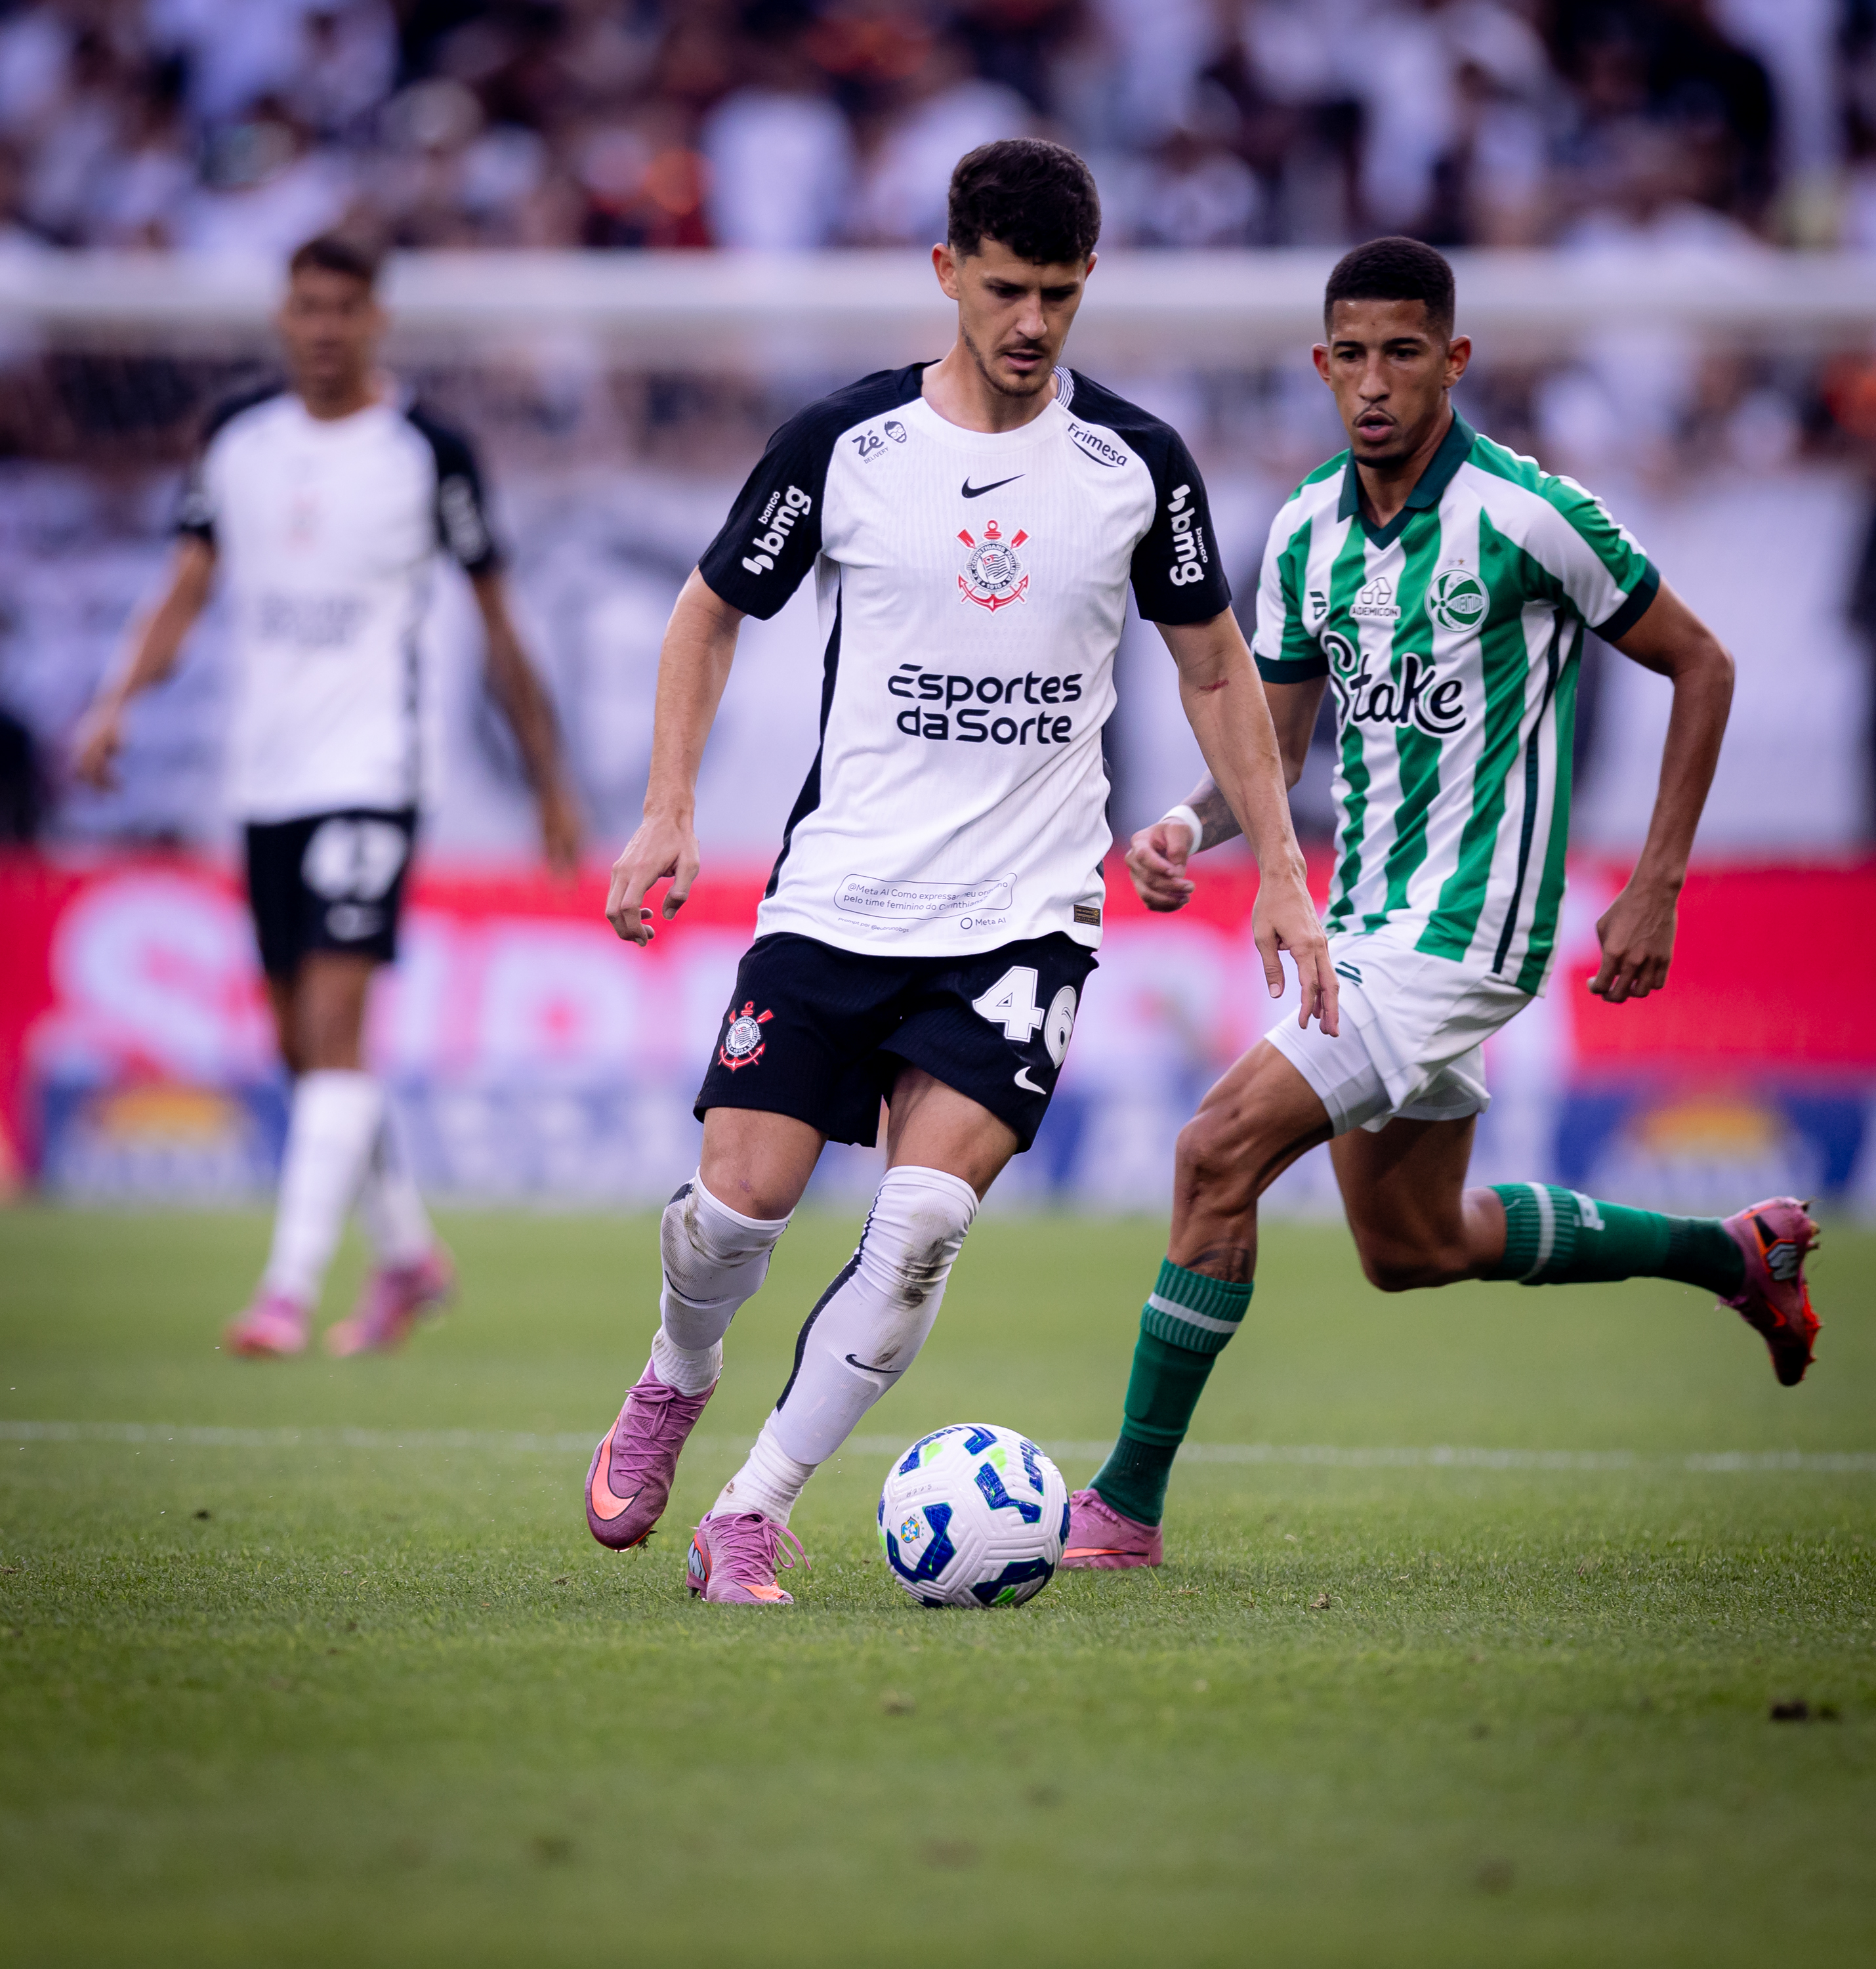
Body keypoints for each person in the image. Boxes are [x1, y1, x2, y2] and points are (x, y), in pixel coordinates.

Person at [587, 138, 1336, 1605]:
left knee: (923, 1222)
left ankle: (753, 1509)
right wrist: (667, 806)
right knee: (735, 1212)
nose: (1032, 322)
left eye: (1059, 293)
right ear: (945, 272)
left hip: (1023, 918)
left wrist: (1280, 868)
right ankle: (677, 1373)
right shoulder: (846, 445)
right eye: (1005, 288)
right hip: (841, 894)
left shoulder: (1132, 466)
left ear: (1086, 284)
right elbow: (704, 610)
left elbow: (1213, 666)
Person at [1062, 236, 1822, 1571]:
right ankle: (1730, 1256)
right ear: (1318, 365)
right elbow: (1274, 754)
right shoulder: (1301, 531)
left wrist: (1653, 884)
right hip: (1363, 926)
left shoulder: (1526, 517)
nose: (1372, 383)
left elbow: (1698, 664)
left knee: (1212, 1151)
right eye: (1349, 356)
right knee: (1410, 1244)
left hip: (1467, 935)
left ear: (1451, 361)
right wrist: (1189, 820)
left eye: (1401, 353)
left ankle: (1120, 1508)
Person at [73, 232, 579, 1360]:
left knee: (335, 1027)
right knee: (304, 1053)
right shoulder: (237, 443)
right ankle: (406, 1255)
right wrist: (115, 700)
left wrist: (550, 780)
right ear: (283, 315)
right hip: (265, 777)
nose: (324, 328)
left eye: (344, 308)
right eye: (306, 307)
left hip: (373, 775)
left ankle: (286, 1291)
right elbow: (187, 584)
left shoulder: (427, 453)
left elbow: (499, 623)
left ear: (376, 319)